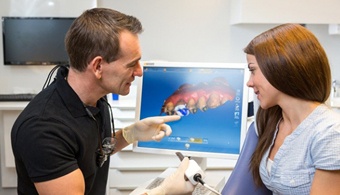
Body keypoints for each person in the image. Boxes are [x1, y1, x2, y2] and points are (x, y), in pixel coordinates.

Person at [11, 8, 194, 195]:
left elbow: (93, 150)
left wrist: (130, 134)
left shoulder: (95, 98)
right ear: (98, 66)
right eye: (132, 64)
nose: (139, 72)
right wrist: (161, 192)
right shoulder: (44, 130)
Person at [245, 23, 340, 194]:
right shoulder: (271, 120)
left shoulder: (330, 133)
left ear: (279, 68)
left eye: (253, 70)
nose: (249, 82)